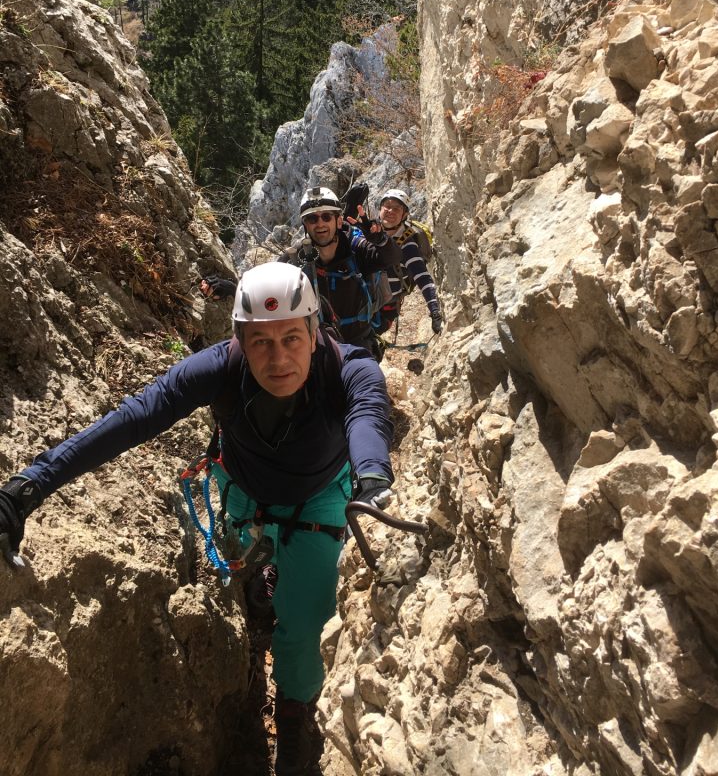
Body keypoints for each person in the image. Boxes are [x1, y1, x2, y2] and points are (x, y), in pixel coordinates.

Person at [0, 262, 394, 776]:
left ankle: (294, 722)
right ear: (237, 341)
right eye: (261, 343)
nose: (278, 359)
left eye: (292, 339)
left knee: (303, 629)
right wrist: (30, 485)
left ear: (315, 334)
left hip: (319, 500)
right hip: (243, 495)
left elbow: (368, 413)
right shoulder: (219, 368)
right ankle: (262, 585)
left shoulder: (348, 368)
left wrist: (371, 476)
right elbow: (137, 415)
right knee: (252, 566)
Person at [279, 186, 402, 361]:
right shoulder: (297, 257)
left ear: (338, 221)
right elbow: (270, 282)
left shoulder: (356, 248)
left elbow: (392, 258)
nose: (320, 223)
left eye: (327, 216)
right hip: (316, 345)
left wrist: (380, 240)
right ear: (305, 225)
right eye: (312, 218)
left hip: (357, 343)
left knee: (367, 385)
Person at [377, 188, 443, 334]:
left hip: (385, 308)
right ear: (380, 209)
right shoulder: (369, 232)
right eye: (387, 206)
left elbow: (422, 277)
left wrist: (434, 311)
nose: (390, 211)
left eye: (397, 208)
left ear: (404, 215)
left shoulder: (407, 244)